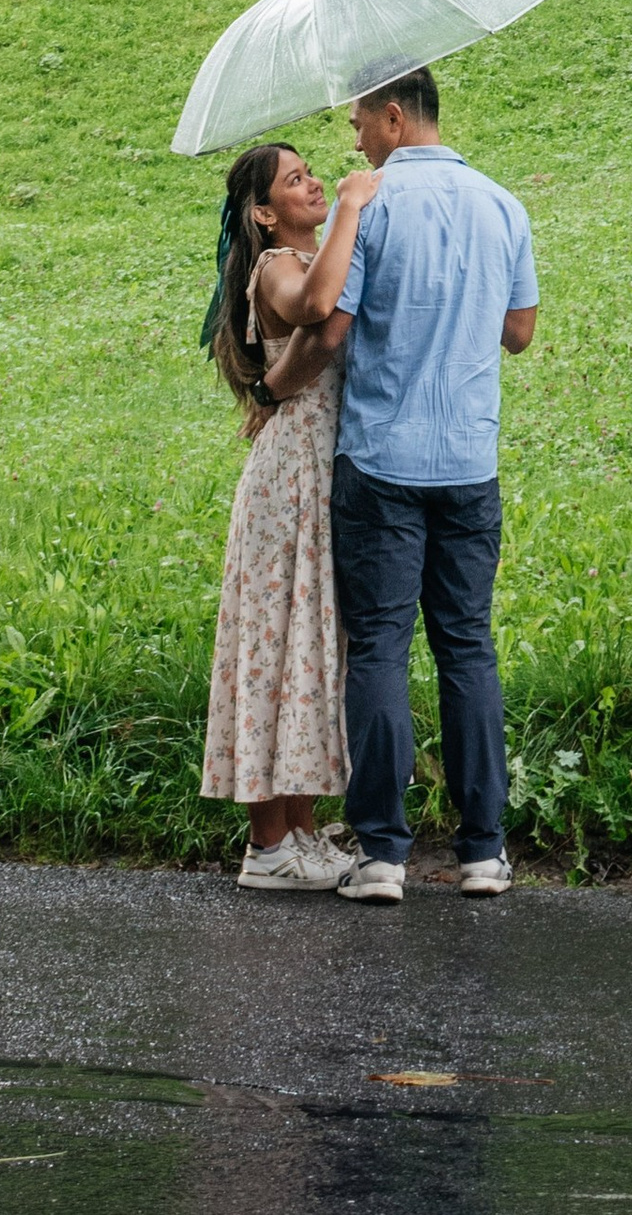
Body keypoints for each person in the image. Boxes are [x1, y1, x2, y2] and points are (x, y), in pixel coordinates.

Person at [310, 63, 538, 904]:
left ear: (395, 116)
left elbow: (332, 327)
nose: (357, 140)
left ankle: (383, 855)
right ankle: (484, 851)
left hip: (380, 460)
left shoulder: (367, 204)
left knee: (379, 645)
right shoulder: (505, 204)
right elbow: (520, 331)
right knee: (467, 644)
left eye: (361, 124)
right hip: (469, 462)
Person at [199, 139, 378, 891]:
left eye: (311, 173)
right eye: (295, 180)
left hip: (314, 470)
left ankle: (299, 829)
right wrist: (352, 204)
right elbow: (315, 311)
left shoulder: (309, 256)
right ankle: (267, 844)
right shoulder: (279, 267)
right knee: (277, 645)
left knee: (306, 644)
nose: (311, 184)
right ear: (266, 214)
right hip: (289, 477)